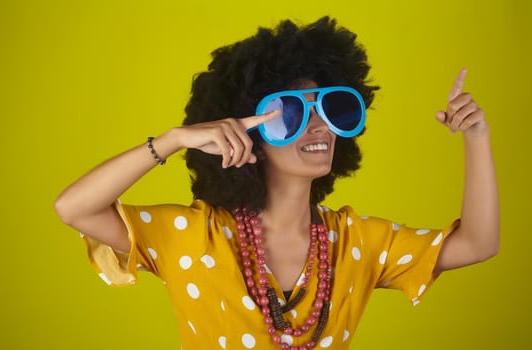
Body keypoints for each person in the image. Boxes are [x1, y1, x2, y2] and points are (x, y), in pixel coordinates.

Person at [54, 16, 499, 350]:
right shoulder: (194, 237)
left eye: (330, 108)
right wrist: (171, 141)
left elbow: (478, 244)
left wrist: (477, 138)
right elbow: (74, 208)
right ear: (251, 135)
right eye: (292, 112)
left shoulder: (354, 242)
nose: (319, 125)